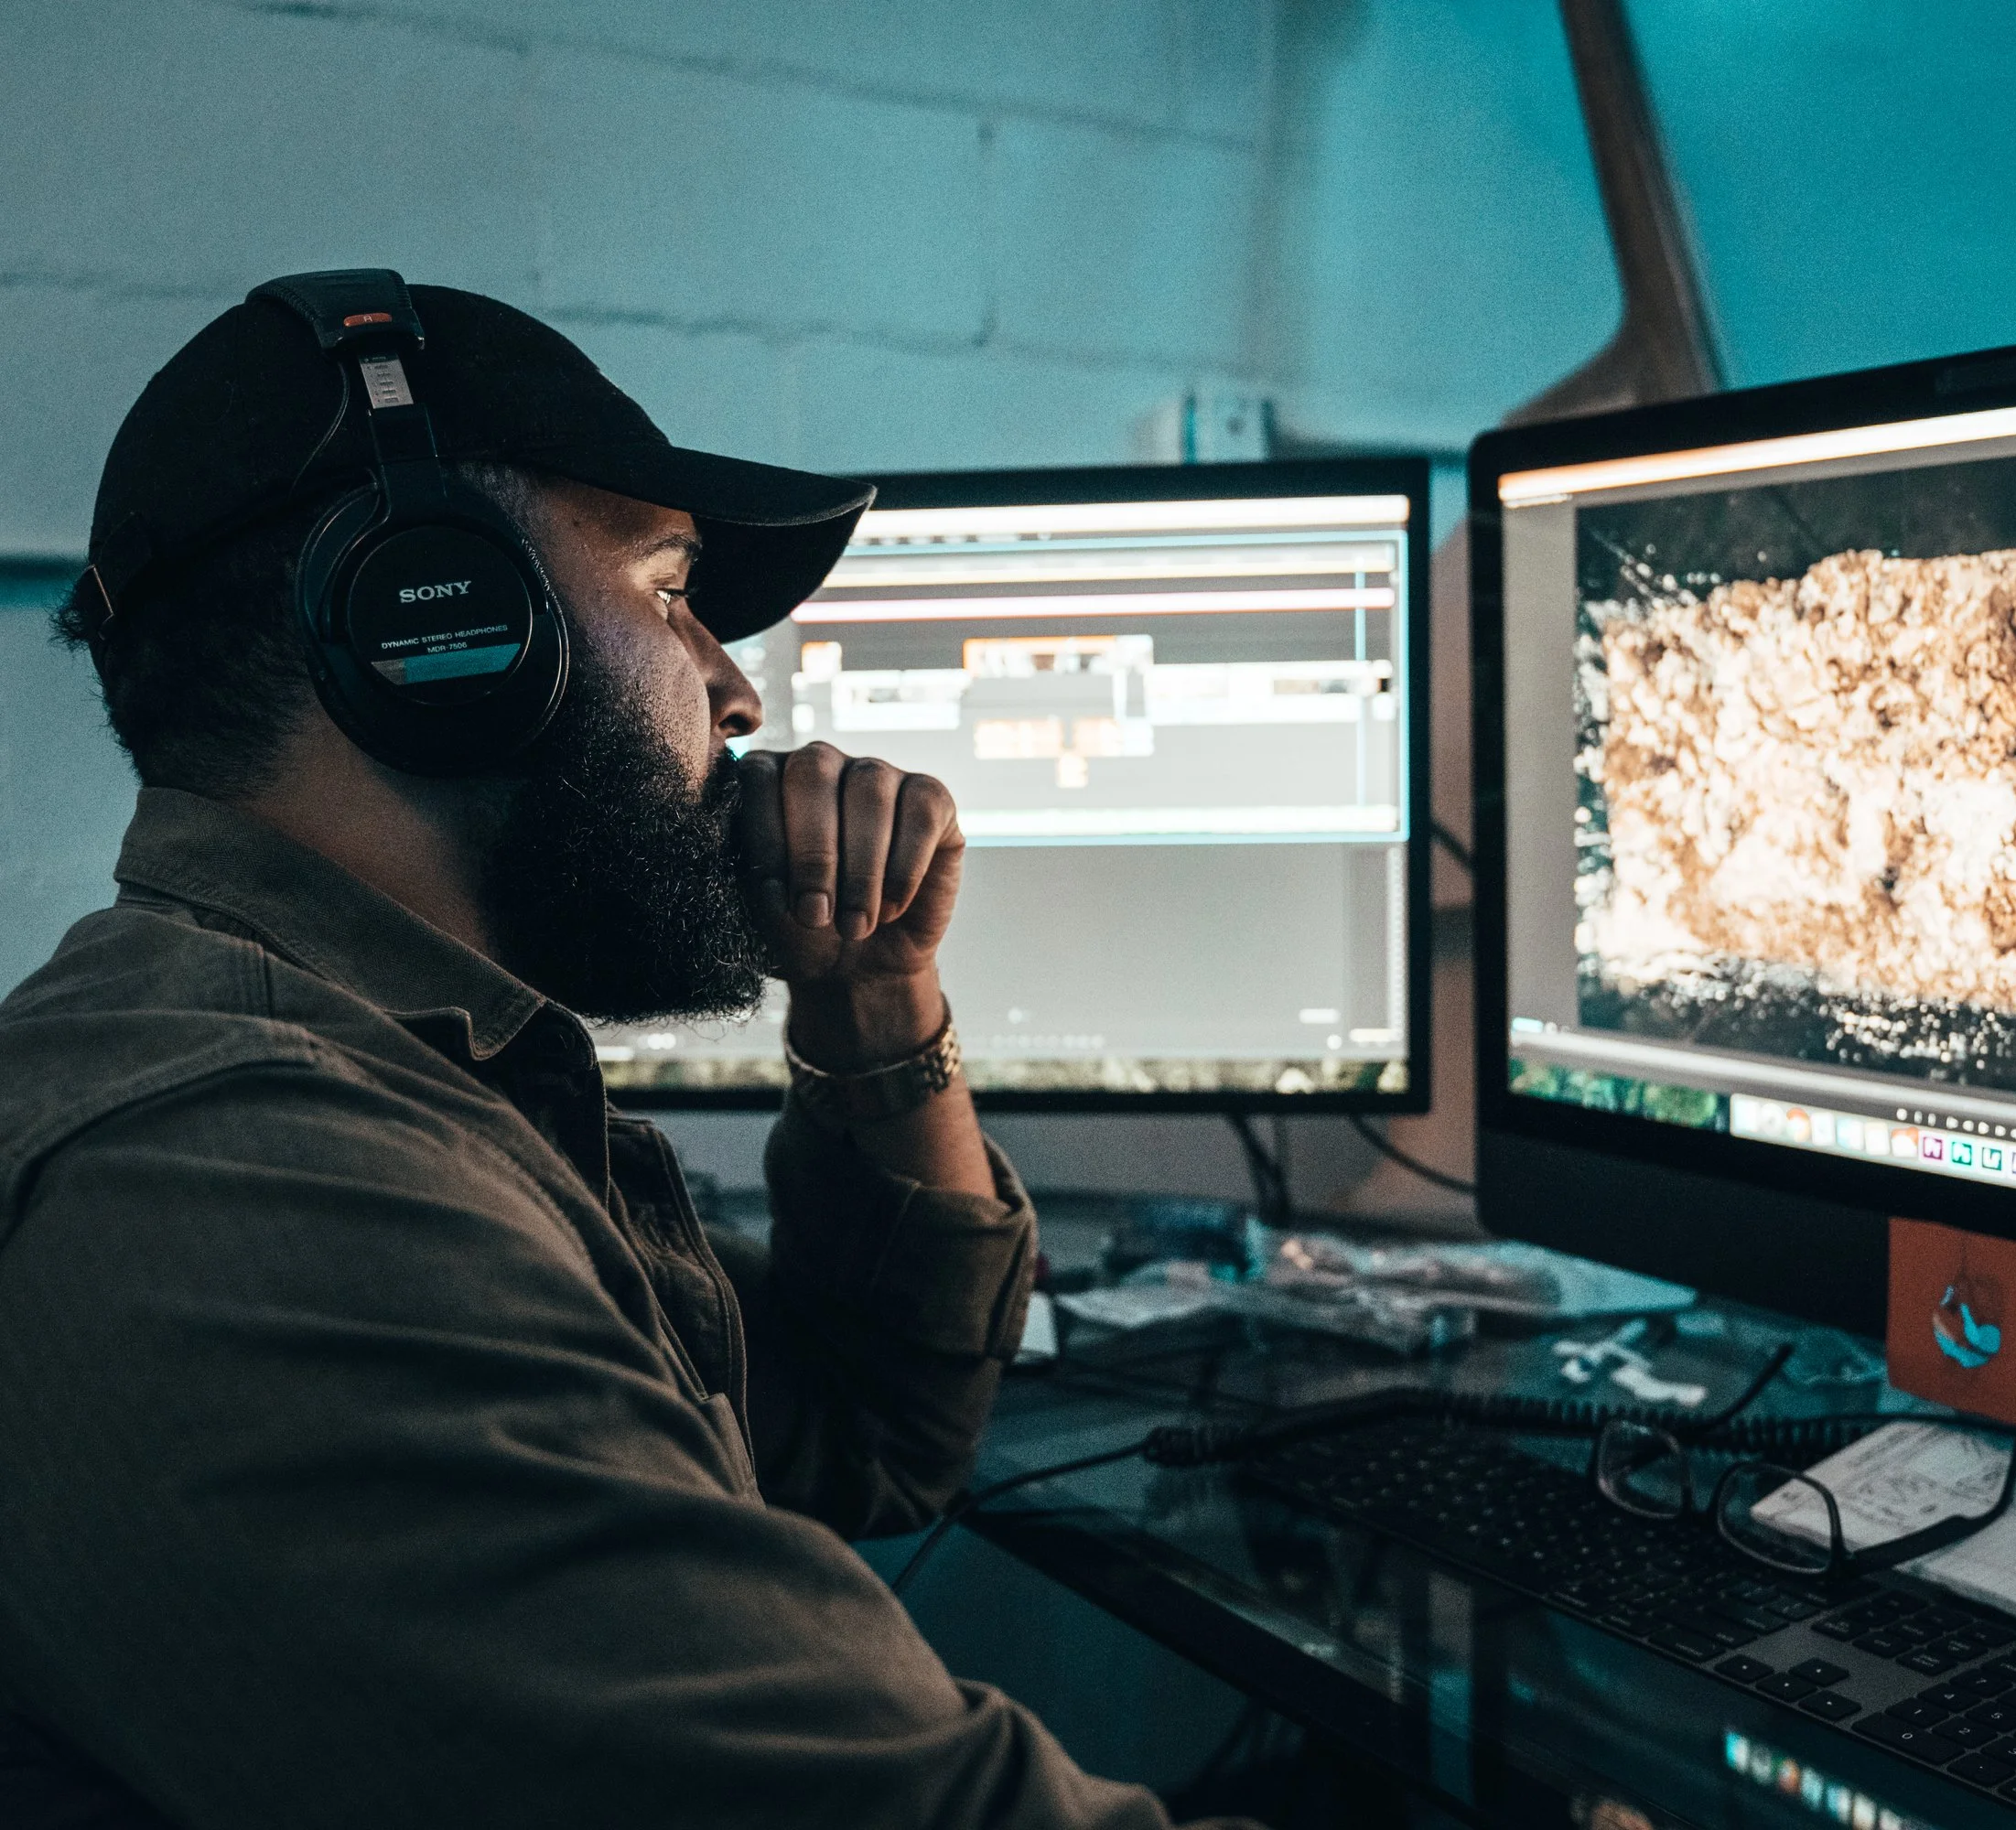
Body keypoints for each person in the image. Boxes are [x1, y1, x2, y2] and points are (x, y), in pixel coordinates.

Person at [0, 274, 1247, 1830]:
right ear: (435, 620)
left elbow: (873, 1441)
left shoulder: (406, 1070)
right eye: (671, 589)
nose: (737, 690)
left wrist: (871, 995)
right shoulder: (247, 1184)